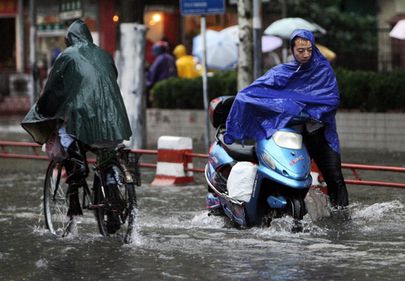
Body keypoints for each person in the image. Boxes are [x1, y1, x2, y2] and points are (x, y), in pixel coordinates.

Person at [21, 19, 132, 228]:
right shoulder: (104, 55)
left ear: (69, 40)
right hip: (115, 122)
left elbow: (53, 90)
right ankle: (114, 209)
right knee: (107, 160)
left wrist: (43, 111)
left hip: (83, 122)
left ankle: (77, 168)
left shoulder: (68, 55)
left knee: (65, 132)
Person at [223, 29, 349, 209]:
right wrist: (288, 108)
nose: (305, 54)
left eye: (309, 49)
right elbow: (251, 93)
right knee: (288, 177)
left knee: (335, 177)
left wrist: (297, 108)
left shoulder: (323, 70)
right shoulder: (282, 72)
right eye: (300, 50)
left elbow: (331, 100)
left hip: (320, 136)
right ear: (292, 50)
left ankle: (342, 215)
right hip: (292, 138)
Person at [146, 41, 177, 106]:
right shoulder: (171, 58)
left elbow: (152, 74)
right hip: (172, 88)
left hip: (160, 89)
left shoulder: (160, 59)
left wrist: (148, 84)